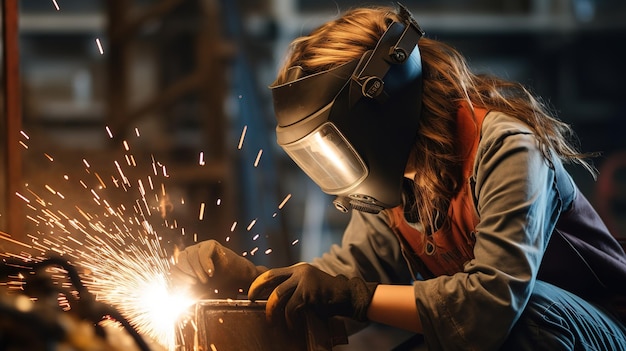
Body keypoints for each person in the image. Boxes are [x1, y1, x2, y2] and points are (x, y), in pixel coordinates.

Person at [171, 4, 626, 350]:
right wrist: (258, 287)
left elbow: (492, 305)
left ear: (381, 105)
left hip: (597, 328)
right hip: (511, 328)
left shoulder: (506, 147)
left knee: (529, 314)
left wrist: (353, 295)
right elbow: (343, 287)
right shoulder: (392, 188)